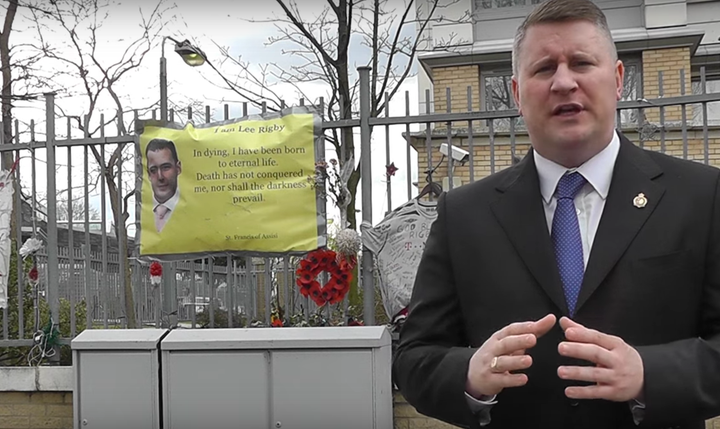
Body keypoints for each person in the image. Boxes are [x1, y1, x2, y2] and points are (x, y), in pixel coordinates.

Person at [392, 1, 720, 428]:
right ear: (516, 93)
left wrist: (650, 375)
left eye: (582, 63)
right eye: (544, 68)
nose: (564, 82)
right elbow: (415, 358)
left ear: (618, 79)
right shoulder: (464, 214)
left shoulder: (700, 196)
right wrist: (470, 375)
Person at [146, 138, 182, 233]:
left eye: (166, 167)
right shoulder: (142, 212)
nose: (160, 177)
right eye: (153, 170)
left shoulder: (194, 207)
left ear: (178, 168)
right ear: (148, 174)